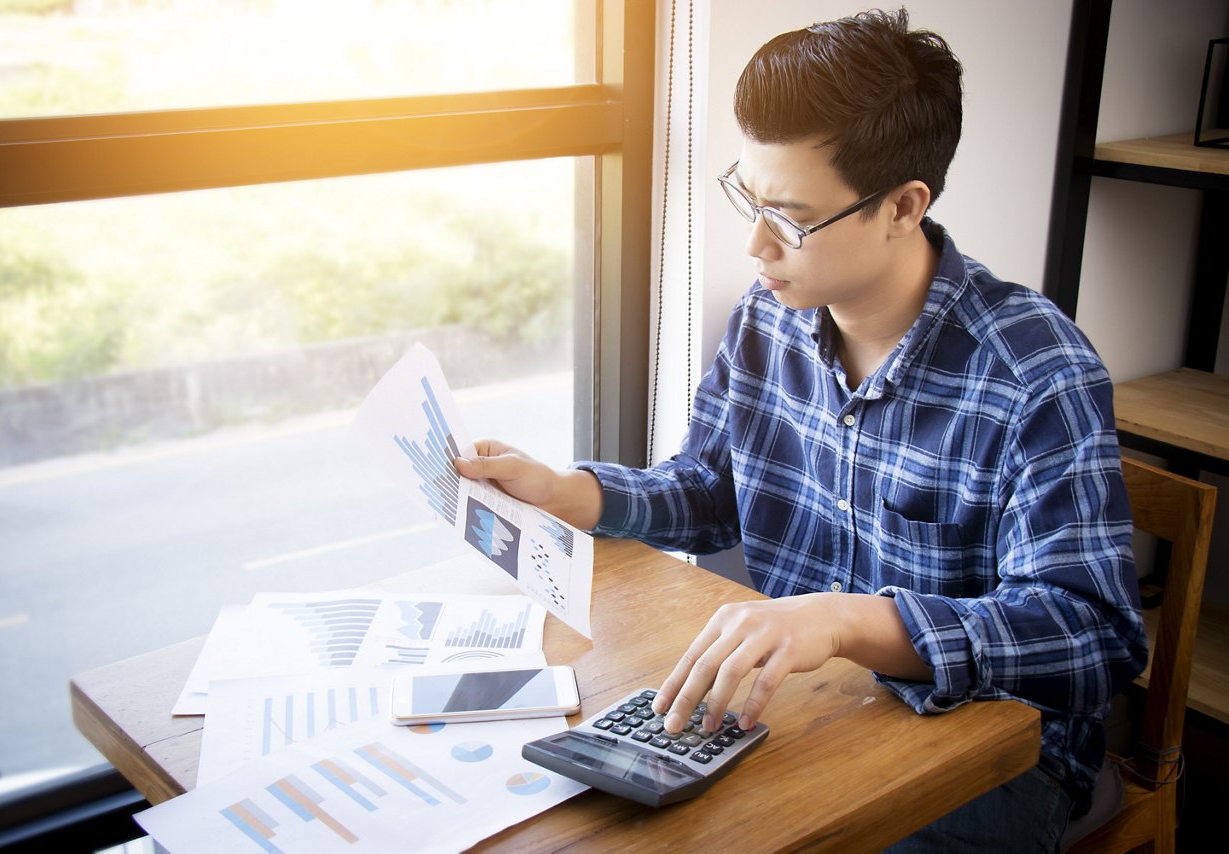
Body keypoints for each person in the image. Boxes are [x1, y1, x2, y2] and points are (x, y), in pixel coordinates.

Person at [455, 8, 1147, 851]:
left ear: (902, 205)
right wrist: (577, 493)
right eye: (749, 196)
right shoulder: (770, 319)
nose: (755, 245)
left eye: (788, 217)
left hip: (1000, 757)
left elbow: (1093, 637)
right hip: (812, 709)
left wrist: (847, 622)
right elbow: (714, 489)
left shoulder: (1036, 371)